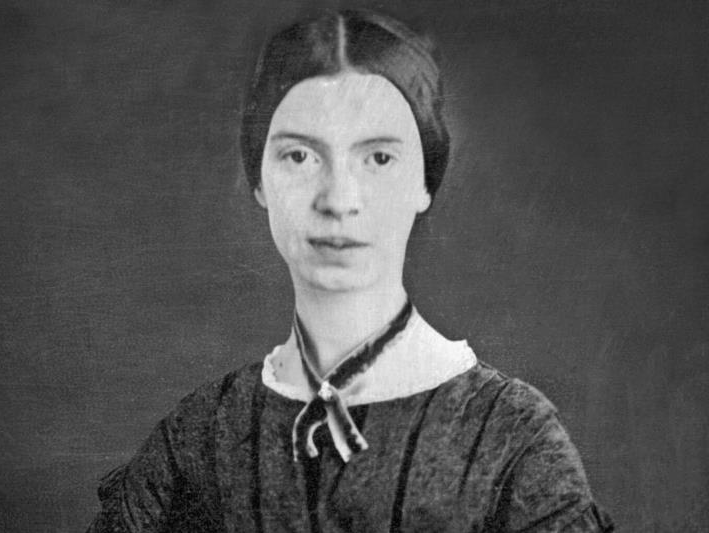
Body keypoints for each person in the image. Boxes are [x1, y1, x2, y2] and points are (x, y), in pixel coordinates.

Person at [87, 9, 613, 532]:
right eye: (300, 156)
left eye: (378, 158)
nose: (339, 199)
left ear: (424, 183)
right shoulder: (201, 435)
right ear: (260, 180)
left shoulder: (511, 436)